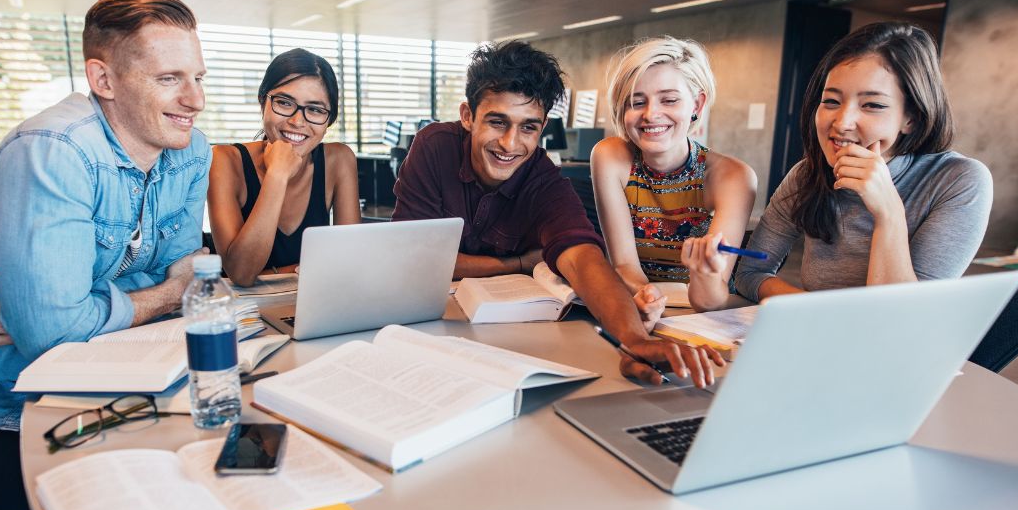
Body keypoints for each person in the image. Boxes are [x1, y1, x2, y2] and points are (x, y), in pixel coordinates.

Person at [0, 0, 211, 510]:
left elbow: (184, 271)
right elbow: (59, 331)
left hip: (93, 379)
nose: (194, 100)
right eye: (168, 79)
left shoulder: (190, 150)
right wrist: (161, 294)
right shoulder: (52, 149)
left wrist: (64, 308)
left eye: (198, 78)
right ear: (103, 80)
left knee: (199, 475)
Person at [393, 40, 722, 387]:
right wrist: (517, 263)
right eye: (497, 122)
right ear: (467, 116)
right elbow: (414, 258)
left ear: (542, 127)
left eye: (528, 127)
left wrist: (634, 340)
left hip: (504, 338)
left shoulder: (543, 178)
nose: (510, 143)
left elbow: (582, 258)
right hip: (425, 327)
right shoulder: (433, 146)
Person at [733, 21, 992, 301]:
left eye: (872, 105)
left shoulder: (959, 180)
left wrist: (888, 211)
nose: (842, 122)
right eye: (831, 101)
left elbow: (903, 316)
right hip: (818, 337)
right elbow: (750, 274)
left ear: (911, 117)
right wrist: (812, 313)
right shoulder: (807, 174)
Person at [591, 37, 756, 312]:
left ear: (697, 105)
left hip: (706, 315)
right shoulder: (610, 157)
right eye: (636, 102)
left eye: (669, 100)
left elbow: (710, 300)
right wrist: (647, 297)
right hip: (641, 306)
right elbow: (624, 266)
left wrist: (705, 274)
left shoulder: (734, 177)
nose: (651, 114)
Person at [207, 49, 359, 286]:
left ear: (329, 120)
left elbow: (350, 263)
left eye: (316, 110)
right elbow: (241, 273)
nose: (297, 121)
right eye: (284, 103)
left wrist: (271, 274)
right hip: (248, 313)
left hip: (317, 302)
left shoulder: (338, 160)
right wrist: (277, 175)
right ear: (262, 103)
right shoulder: (224, 160)